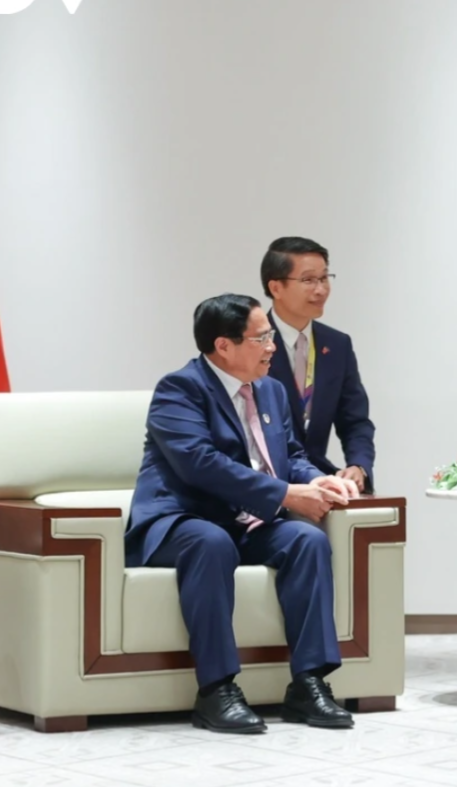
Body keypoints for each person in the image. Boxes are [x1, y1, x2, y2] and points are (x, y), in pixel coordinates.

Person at [124, 294, 360, 733]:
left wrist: (318, 480)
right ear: (223, 346)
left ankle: (309, 684)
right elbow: (200, 464)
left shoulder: (271, 390)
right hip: (183, 520)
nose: (272, 347)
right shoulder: (180, 389)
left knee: (307, 541)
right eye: (261, 338)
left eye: (270, 336)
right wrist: (285, 494)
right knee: (211, 542)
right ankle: (217, 690)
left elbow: (291, 455)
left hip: (249, 521)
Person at [261, 237, 376, 493]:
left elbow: (355, 421)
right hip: (267, 483)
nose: (321, 289)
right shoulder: (251, 343)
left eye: (324, 278)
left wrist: (358, 465)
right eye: (308, 280)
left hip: (321, 479)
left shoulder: (337, 345)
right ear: (276, 287)